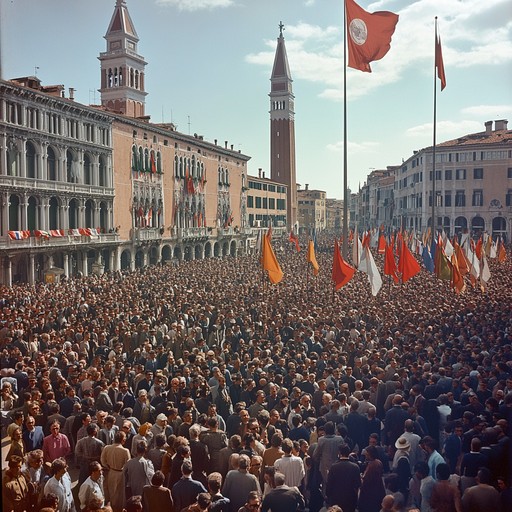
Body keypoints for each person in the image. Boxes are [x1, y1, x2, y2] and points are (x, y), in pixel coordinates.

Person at [100, 430, 131, 512]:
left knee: (111, 492)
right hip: (121, 473)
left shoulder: (107, 448)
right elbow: (128, 465)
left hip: (111, 472)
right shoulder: (125, 451)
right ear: (122, 440)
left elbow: (102, 460)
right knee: (120, 495)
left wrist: (107, 466)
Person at [325, 444, 361, 512]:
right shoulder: (355, 467)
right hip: (350, 499)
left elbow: (329, 484)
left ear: (339, 453)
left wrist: (328, 496)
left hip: (336, 499)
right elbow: (357, 485)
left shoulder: (334, 467)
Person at [358, 445, 386, 512]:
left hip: (370, 494)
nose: (366, 456)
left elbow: (367, 480)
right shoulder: (378, 462)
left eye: (367, 455)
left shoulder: (373, 465)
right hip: (377, 490)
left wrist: (361, 477)